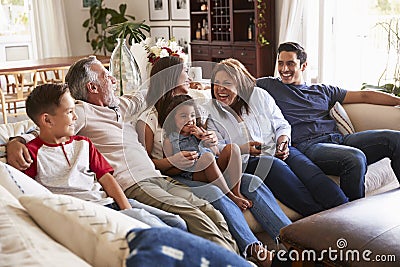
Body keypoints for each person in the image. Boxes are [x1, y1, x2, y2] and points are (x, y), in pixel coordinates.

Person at [6, 56, 239, 254]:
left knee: (210, 211)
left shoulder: (119, 107)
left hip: (156, 177)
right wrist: (17, 141)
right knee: (193, 215)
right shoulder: (82, 111)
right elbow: (44, 129)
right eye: (107, 76)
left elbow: (144, 93)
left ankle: (238, 259)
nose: (114, 80)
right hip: (134, 184)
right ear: (92, 88)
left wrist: (178, 75)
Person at [137, 56, 292, 267]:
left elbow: (209, 144)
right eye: (185, 72)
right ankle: (256, 251)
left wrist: (211, 140)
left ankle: (292, 242)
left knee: (251, 182)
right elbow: (145, 164)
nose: (189, 76)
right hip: (177, 175)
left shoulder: (192, 105)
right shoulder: (149, 118)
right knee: (214, 193)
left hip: (207, 163)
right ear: (171, 78)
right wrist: (173, 159)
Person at [22, 83, 186, 230]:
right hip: (90, 212)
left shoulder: (83, 143)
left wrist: (127, 209)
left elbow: (107, 179)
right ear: (47, 120)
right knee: (160, 230)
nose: (76, 117)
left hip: (111, 202)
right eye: (70, 112)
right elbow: (28, 193)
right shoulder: (31, 153)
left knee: (177, 222)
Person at [256, 41, 400, 201]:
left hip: (339, 140)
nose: (284, 69)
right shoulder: (269, 85)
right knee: (354, 158)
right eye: (281, 63)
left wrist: (398, 100)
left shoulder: (323, 90)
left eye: (290, 64)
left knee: (395, 139)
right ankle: (354, 217)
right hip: (308, 146)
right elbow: (239, 82)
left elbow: (364, 95)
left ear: (303, 66)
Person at [206, 58, 349, 216]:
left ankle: (346, 211)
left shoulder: (259, 96)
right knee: (276, 168)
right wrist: (244, 148)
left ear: (240, 84)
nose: (220, 89)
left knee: (311, 173)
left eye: (227, 83)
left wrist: (283, 142)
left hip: (278, 149)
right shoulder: (211, 111)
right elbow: (216, 149)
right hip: (247, 161)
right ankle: (320, 217)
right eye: (216, 83)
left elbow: (282, 124)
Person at [163, 94, 252, 210]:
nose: (189, 120)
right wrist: (182, 163)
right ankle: (230, 196)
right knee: (207, 157)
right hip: (194, 173)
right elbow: (168, 169)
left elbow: (216, 153)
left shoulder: (200, 132)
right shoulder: (169, 140)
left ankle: (236, 191)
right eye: (183, 116)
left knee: (233, 148)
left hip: (214, 166)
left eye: (192, 115)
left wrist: (204, 139)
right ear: (172, 119)